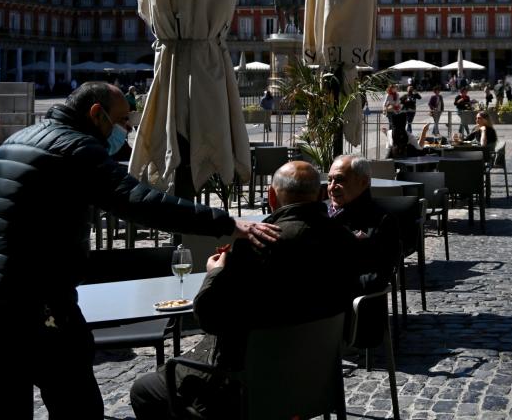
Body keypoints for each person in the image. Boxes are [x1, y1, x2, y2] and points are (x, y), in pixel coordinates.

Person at [0, 82, 280, 419]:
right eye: (121, 120)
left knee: (3, 401)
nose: (127, 129)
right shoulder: (76, 148)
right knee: (77, 403)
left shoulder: (15, 142)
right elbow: (140, 202)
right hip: (39, 301)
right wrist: (226, 223)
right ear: (96, 113)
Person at [129, 161, 362, 419]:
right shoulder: (345, 240)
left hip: (244, 387)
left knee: (143, 390)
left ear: (271, 197)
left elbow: (209, 318)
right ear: (319, 195)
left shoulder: (257, 245)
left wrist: (214, 273)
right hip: (315, 380)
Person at [326, 155, 397, 290]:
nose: (332, 187)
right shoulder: (320, 211)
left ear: (363, 182)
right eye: (329, 180)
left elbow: (379, 276)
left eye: (340, 180)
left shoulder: (381, 220)